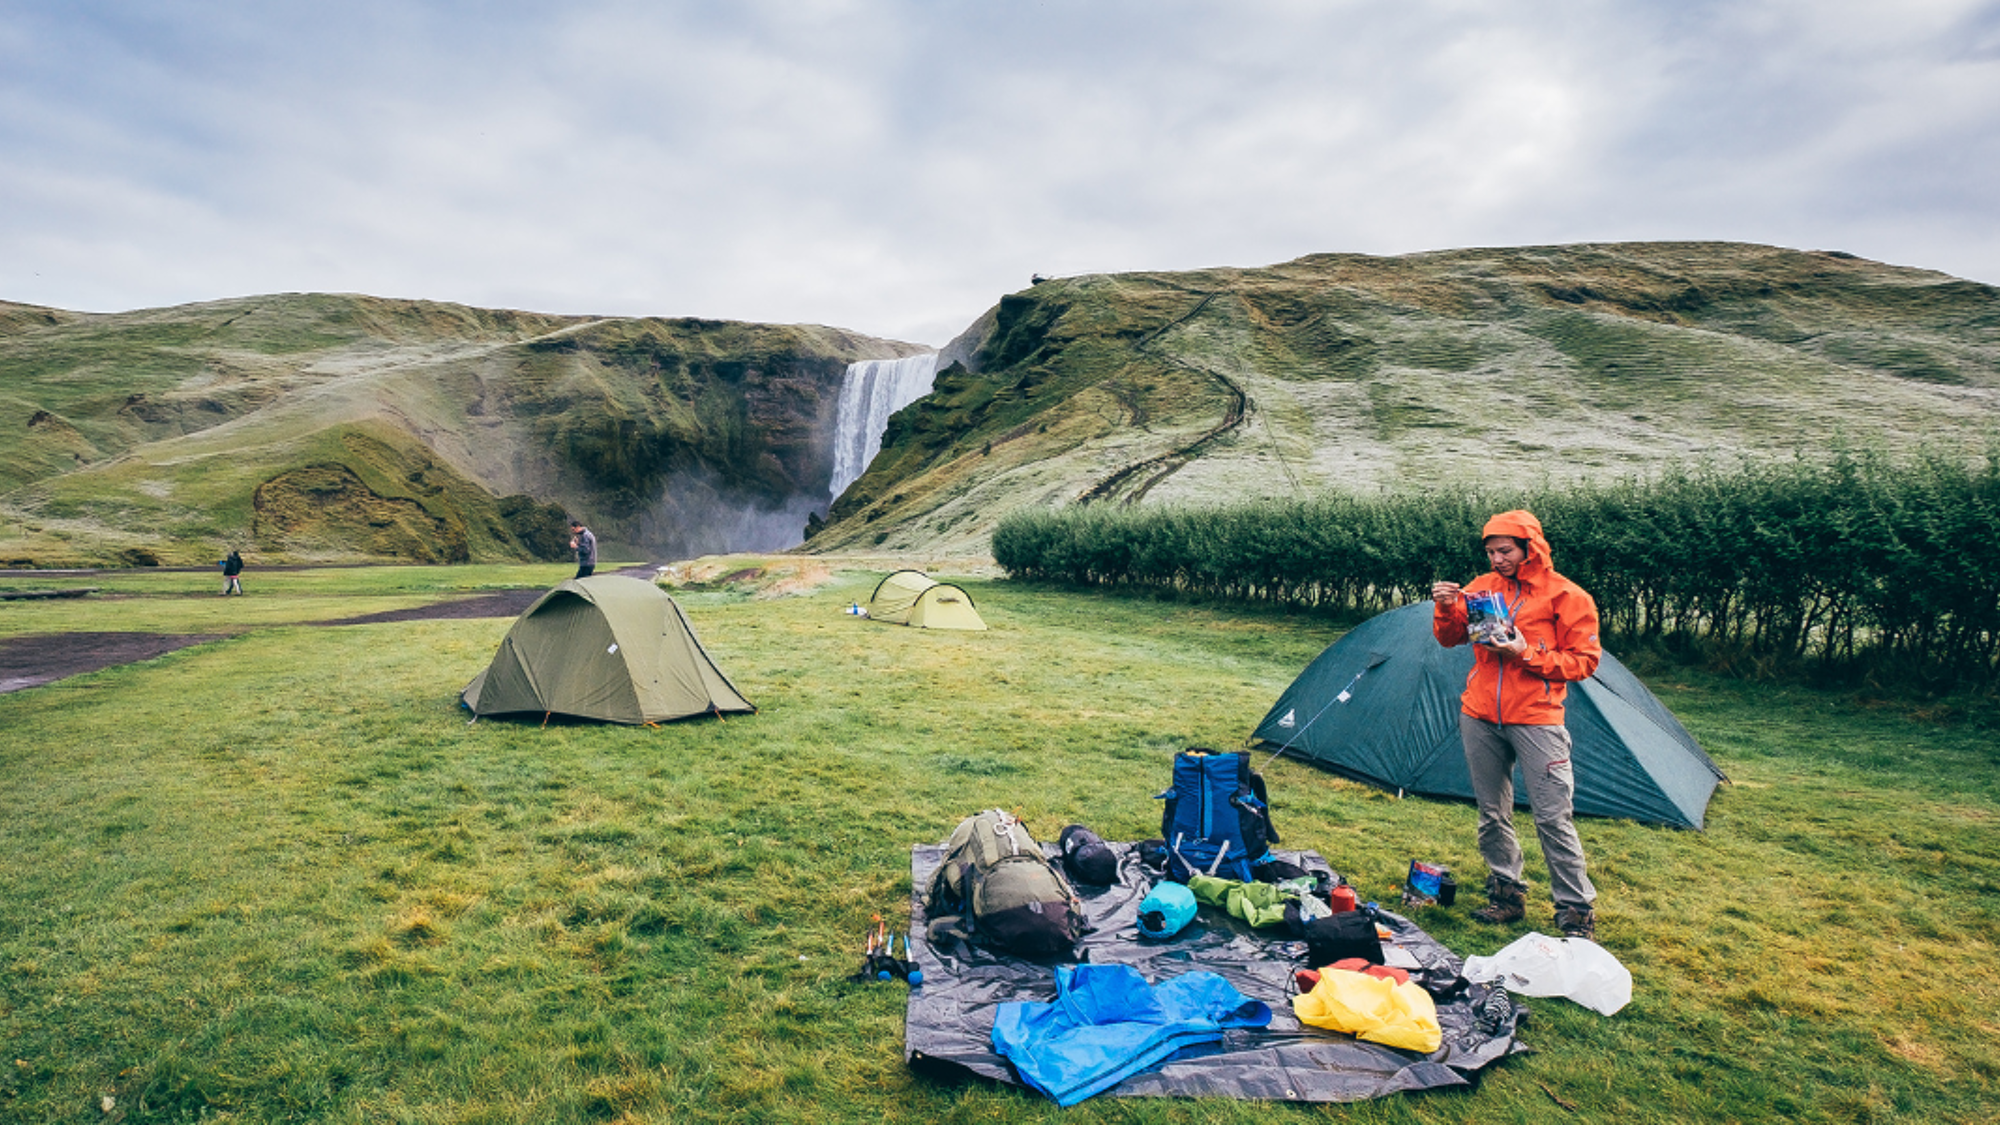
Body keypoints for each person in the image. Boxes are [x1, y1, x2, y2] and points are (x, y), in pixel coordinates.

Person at [1431, 510, 1602, 941]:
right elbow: (1451, 637)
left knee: (1552, 817)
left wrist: (1526, 653)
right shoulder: (1483, 587)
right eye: (1490, 551)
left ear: (1530, 546)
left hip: (1537, 719)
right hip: (1480, 714)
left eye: (1504, 550)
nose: (1496, 559)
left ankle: (1575, 911)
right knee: (1492, 813)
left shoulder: (1568, 596)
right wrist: (1447, 606)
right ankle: (1506, 893)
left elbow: (1584, 662)